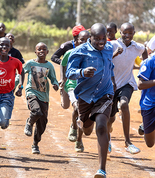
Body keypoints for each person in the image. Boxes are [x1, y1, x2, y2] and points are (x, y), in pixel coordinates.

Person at [66, 23, 115, 178]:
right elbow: (69, 72)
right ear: (90, 37)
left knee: (101, 125)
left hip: (104, 94)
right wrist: (82, 72)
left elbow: (110, 67)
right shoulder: (79, 51)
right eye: (97, 39)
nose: (101, 42)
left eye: (103, 38)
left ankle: (102, 170)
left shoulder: (109, 49)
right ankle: (82, 123)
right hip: (86, 97)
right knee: (87, 130)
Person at [108, 22, 148, 154]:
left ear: (134, 34)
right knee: (110, 117)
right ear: (120, 32)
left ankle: (128, 142)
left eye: (130, 33)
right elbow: (105, 59)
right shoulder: (112, 45)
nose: (127, 35)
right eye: (125, 32)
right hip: (111, 85)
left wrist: (145, 69)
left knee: (124, 105)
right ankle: (107, 139)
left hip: (127, 83)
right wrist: (114, 53)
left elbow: (145, 52)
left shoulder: (137, 47)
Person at [0, 37, 23, 157]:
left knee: (2, 122)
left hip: (7, 95)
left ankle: (3, 121)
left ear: (10, 47)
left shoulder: (15, 61)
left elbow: (21, 71)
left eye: (7, 45)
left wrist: (20, 86)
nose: (4, 47)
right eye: (1, 45)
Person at [24, 42, 59, 154]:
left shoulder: (49, 66)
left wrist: (55, 84)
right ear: (35, 52)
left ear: (47, 52)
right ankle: (29, 123)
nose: (41, 51)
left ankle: (35, 144)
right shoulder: (30, 64)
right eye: (39, 49)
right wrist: (17, 86)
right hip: (32, 92)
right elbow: (20, 73)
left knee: (42, 122)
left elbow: (53, 78)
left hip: (44, 96)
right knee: (36, 111)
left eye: (44, 49)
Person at [60, 30, 90, 152]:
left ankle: (79, 139)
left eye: (87, 40)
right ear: (76, 41)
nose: (84, 42)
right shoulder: (70, 52)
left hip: (86, 86)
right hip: (72, 84)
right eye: (81, 40)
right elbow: (63, 64)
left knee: (83, 114)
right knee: (76, 107)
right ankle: (73, 126)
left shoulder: (93, 54)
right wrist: (63, 78)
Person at [51, 25, 85, 110]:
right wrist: (67, 64)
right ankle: (63, 89)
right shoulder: (67, 46)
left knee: (78, 103)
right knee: (65, 105)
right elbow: (54, 57)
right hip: (67, 76)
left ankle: (76, 120)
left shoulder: (87, 47)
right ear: (76, 37)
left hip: (80, 76)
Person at [137, 55, 155, 148]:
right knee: (150, 143)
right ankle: (144, 126)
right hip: (150, 104)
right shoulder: (150, 62)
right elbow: (140, 85)